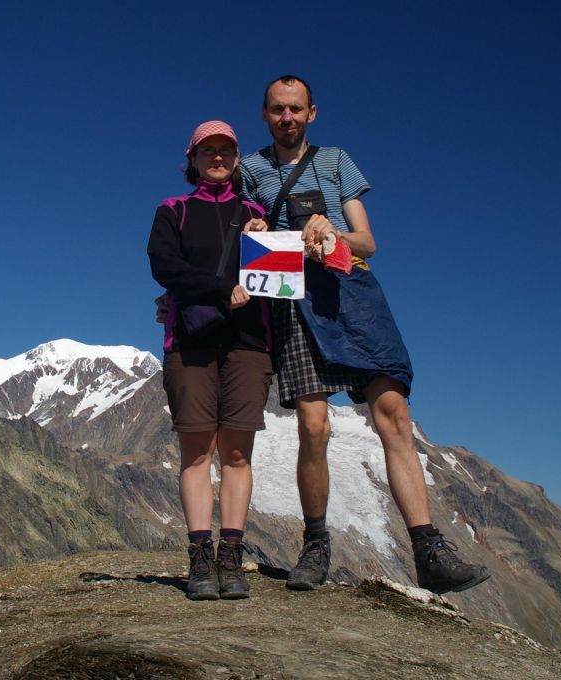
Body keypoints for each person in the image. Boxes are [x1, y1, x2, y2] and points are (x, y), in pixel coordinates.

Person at [237, 75, 489, 594]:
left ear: (312, 113)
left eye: (296, 109)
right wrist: (254, 229)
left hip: (353, 292)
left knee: (393, 414)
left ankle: (427, 550)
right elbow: (245, 229)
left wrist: (332, 230)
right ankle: (316, 545)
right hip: (295, 302)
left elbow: (368, 241)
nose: (287, 117)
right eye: (278, 109)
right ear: (265, 114)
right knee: (312, 426)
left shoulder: (336, 162)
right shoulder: (252, 171)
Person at [147, 120, 274, 600]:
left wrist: (264, 239)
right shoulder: (173, 210)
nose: (217, 157)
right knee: (197, 452)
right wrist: (223, 288)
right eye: (207, 151)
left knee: (238, 453)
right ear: (193, 159)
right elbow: (164, 266)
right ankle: (201, 557)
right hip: (191, 339)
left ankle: (230, 556)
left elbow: (278, 277)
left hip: (247, 343)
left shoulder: (257, 213)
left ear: (236, 158)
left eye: (225, 150)